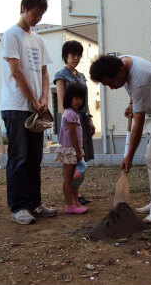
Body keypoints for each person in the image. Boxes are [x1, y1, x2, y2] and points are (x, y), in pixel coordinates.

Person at [89, 55, 151, 223]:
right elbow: (133, 90)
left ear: (121, 71)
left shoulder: (141, 80)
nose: (111, 87)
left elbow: (138, 124)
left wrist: (129, 156)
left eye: (111, 83)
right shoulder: (122, 62)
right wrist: (132, 104)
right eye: (107, 85)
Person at [0, 0, 57, 225]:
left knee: (34, 158)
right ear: (24, 8)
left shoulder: (39, 39)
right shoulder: (11, 35)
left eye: (41, 14)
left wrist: (44, 97)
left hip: (36, 107)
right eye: (35, 13)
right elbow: (16, 71)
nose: (38, 18)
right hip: (16, 107)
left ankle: (35, 203)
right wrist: (33, 100)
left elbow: (44, 72)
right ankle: (18, 206)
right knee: (19, 158)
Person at [53, 40, 95, 205]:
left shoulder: (81, 76)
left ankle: (77, 195)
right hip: (71, 122)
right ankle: (71, 198)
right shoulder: (61, 76)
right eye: (73, 55)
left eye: (78, 55)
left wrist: (90, 119)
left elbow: (86, 100)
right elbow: (62, 102)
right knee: (72, 160)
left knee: (81, 161)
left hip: (83, 120)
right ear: (66, 56)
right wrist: (67, 122)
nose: (76, 58)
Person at [54, 83, 89, 214]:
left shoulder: (71, 113)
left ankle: (75, 202)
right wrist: (78, 151)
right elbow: (73, 134)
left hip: (72, 149)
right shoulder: (71, 114)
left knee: (75, 179)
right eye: (76, 98)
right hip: (71, 150)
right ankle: (70, 205)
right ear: (69, 98)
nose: (79, 101)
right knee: (69, 179)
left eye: (81, 99)